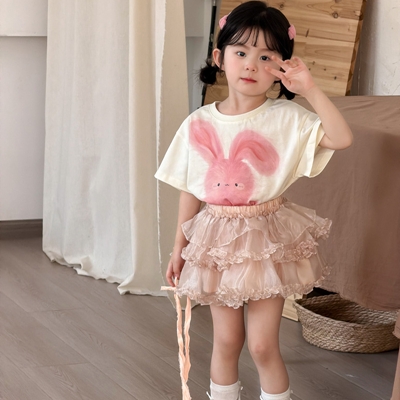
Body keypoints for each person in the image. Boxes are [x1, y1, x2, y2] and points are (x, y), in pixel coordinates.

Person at [155, 2, 353, 399]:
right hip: (215, 241)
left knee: (263, 346)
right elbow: (191, 187)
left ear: (282, 66)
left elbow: (342, 137)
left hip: (266, 239)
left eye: (266, 57)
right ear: (219, 57)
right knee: (227, 341)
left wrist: (310, 89)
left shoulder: (287, 118)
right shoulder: (198, 123)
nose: (250, 64)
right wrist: (179, 247)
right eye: (241, 52)